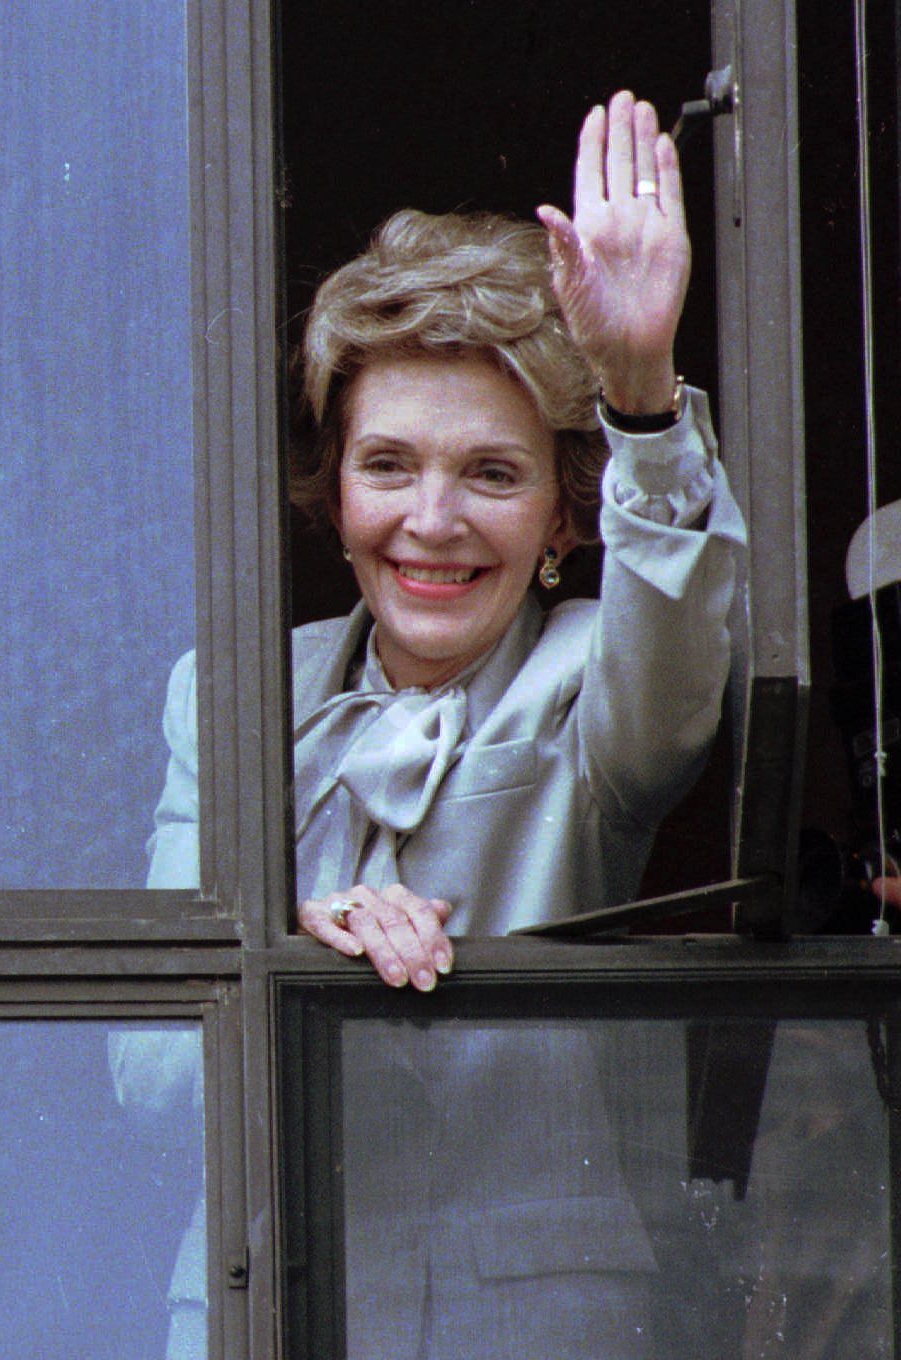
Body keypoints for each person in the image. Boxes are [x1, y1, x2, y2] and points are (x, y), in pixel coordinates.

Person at [130, 91, 750, 1358]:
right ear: (332, 489)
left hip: (531, 1318)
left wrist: (637, 393)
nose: (430, 519)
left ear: (564, 517)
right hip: (259, 1303)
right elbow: (145, 1084)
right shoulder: (228, 695)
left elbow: (678, 651)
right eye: (387, 464)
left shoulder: (589, 678)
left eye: (491, 472)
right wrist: (286, 944)